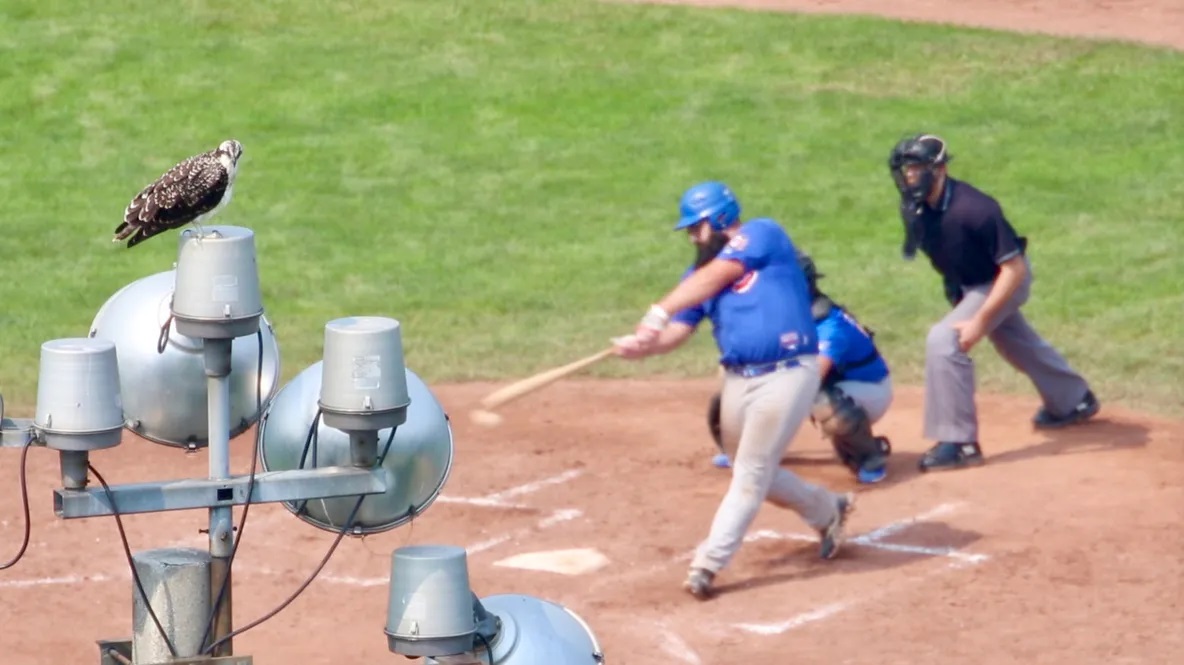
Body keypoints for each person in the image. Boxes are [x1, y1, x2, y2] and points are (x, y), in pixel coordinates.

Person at [611, 180, 855, 601]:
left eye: (696, 226)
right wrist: (645, 346)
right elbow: (679, 332)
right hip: (737, 382)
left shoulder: (763, 234)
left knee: (749, 475)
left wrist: (656, 312)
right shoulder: (697, 278)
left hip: (789, 373)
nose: (691, 236)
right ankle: (827, 509)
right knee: (754, 468)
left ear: (721, 219)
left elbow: (723, 273)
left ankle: (707, 564)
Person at [887, 133, 1100, 472]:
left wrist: (979, 321)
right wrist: (962, 296)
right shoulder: (915, 207)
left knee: (945, 341)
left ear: (939, 169)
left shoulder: (975, 209)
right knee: (1012, 338)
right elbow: (946, 253)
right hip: (973, 281)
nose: (909, 177)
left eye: (916, 168)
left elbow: (1013, 269)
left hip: (1005, 278)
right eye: (905, 170)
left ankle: (959, 443)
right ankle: (1073, 399)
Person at [706, 250, 895, 484]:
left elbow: (811, 377)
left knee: (825, 404)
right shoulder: (777, 315)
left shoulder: (830, 324)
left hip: (868, 391)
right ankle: (740, 449)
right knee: (733, 378)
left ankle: (868, 458)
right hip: (819, 384)